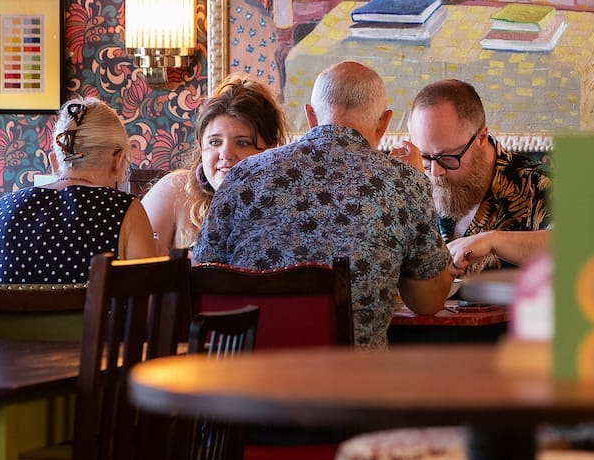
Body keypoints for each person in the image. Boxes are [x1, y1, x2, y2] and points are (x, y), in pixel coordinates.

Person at [192, 60, 452, 349]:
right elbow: (428, 301)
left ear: (311, 116)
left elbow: (203, 277)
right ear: (384, 123)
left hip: (247, 380)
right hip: (347, 384)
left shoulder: (243, 174)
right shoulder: (404, 181)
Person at [0, 97, 159, 283]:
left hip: (5, 318)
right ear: (119, 159)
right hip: (94, 319)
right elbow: (147, 308)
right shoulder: (125, 210)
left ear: (54, 162)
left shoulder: (3, 209)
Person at [395, 79, 550, 276]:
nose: (435, 172)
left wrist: (493, 240)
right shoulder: (409, 183)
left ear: (481, 138)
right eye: (425, 157)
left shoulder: (539, 183)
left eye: (448, 157)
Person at [143, 75, 289, 250]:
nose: (226, 154)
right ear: (201, 146)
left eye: (243, 142)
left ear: (270, 150)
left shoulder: (287, 204)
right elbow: (135, 271)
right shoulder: (175, 191)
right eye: (215, 142)